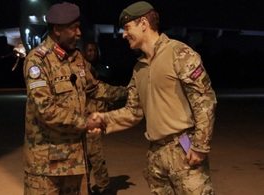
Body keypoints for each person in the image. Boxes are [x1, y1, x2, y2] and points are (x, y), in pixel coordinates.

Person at [86, 1, 217, 195]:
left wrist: (200, 146)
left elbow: (204, 100)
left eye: (127, 28)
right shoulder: (139, 69)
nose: (123, 34)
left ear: (144, 24)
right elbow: (133, 111)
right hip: (156, 154)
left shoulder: (178, 53)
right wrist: (104, 119)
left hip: (183, 148)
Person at [23, 2, 126, 195]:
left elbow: (95, 88)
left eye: (78, 27)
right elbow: (45, 109)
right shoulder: (37, 62)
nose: (79, 33)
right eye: (74, 28)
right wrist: (84, 122)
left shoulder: (76, 59)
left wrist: (130, 92)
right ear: (57, 30)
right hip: (46, 166)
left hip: (75, 161)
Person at [82, 41, 118, 195]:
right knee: (95, 156)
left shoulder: (98, 69)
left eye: (94, 51)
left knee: (90, 157)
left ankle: (86, 187)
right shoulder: (82, 70)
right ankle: (103, 188)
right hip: (88, 118)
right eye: (89, 51)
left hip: (97, 116)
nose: (92, 53)